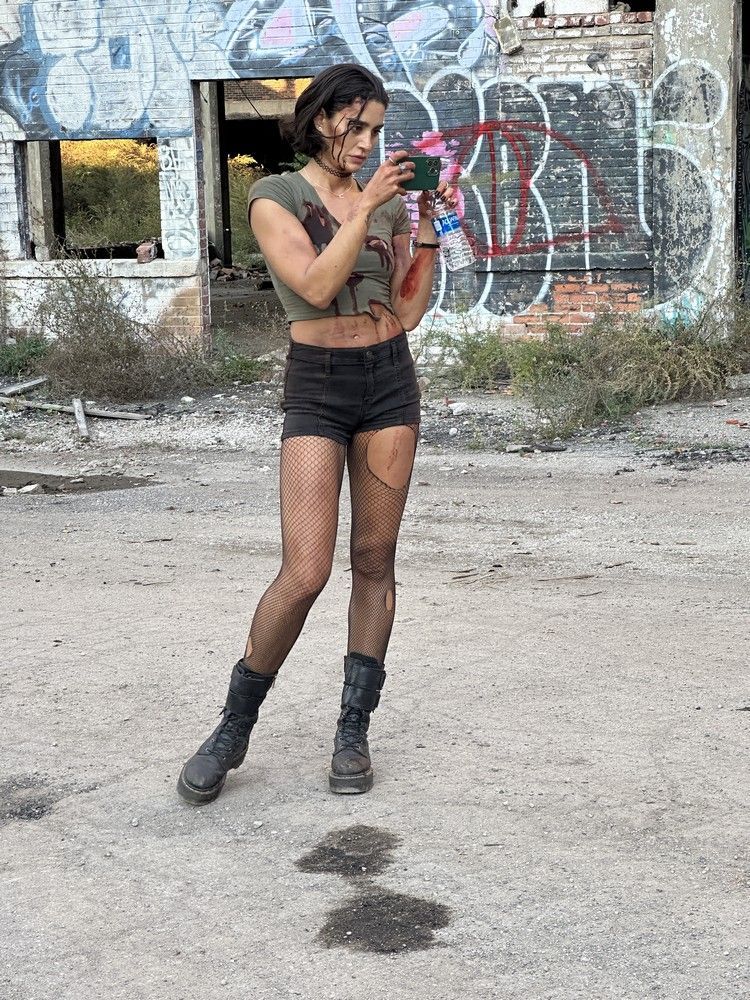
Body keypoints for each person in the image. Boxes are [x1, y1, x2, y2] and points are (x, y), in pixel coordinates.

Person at [177, 63, 457, 804]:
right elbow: (314, 285)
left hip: (389, 382)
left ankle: (352, 731)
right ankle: (233, 726)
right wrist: (365, 206)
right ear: (320, 119)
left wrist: (428, 230)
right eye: (355, 125)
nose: (367, 141)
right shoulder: (277, 196)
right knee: (306, 570)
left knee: (374, 557)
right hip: (318, 387)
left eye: (376, 128)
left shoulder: (388, 205)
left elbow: (410, 310)